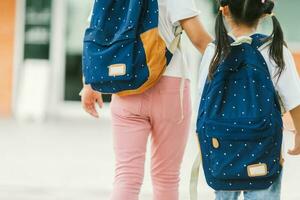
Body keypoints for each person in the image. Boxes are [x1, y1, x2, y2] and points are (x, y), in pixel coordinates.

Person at [81, 0, 212, 199]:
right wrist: (238, 62)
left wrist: (89, 83)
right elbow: (201, 40)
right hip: (171, 86)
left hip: (127, 87)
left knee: (126, 176)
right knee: (166, 178)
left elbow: (97, 33)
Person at [197, 0, 300, 199]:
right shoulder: (273, 48)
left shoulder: (214, 50)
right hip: (263, 148)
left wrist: (202, 143)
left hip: (222, 148)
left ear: (224, 10)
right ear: (263, 13)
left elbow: (202, 102)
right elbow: (295, 99)